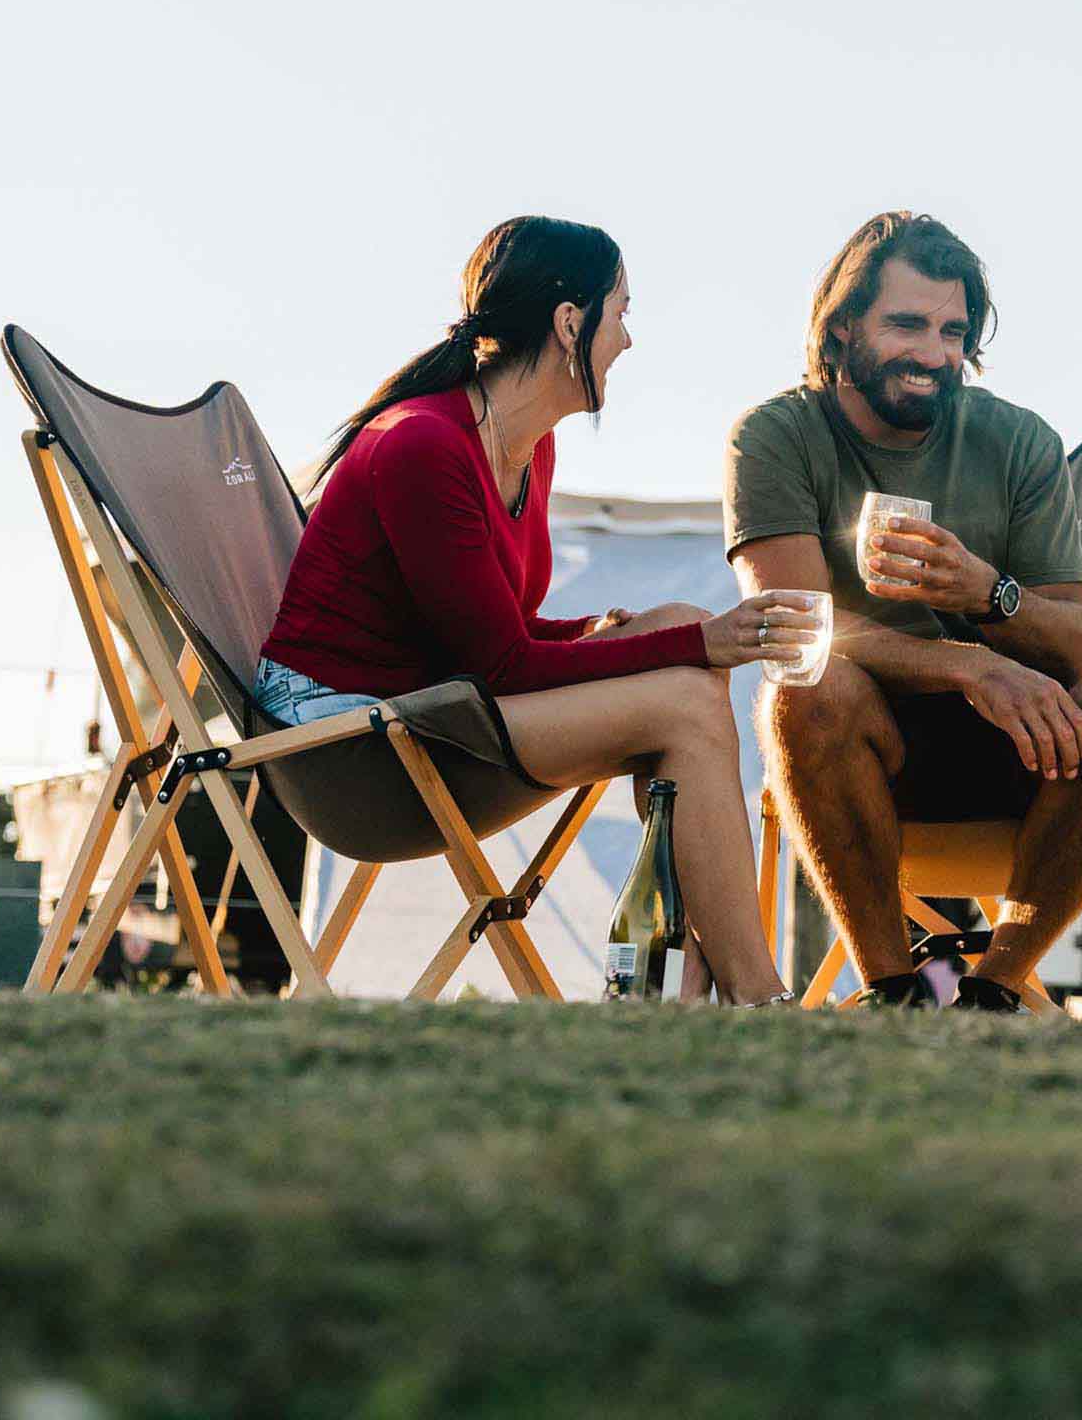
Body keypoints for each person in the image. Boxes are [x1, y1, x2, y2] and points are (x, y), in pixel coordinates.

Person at [257, 215, 815, 1005]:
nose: (627, 339)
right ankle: (754, 996)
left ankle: (697, 981)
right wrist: (700, 641)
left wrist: (617, 635)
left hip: (433, 711)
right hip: (350, 750)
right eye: (620, 312)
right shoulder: (423, 446)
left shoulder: (527, 446)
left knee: (674, 629)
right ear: (567, 324)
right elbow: (500, 667)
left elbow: (492, 639)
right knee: (687, 686)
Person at [725, 212, 1082, 1012]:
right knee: (801, 690)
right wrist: (967, 664)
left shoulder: (1018, 440)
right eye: (906, 324)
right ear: (843, 326)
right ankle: (893, 988)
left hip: (1023, 750)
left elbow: (1077, 648)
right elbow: (790, 624)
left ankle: (995, 994)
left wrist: (984, 594)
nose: (933, 355)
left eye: (952, 331)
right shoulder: (776, 436)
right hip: (865, 752)